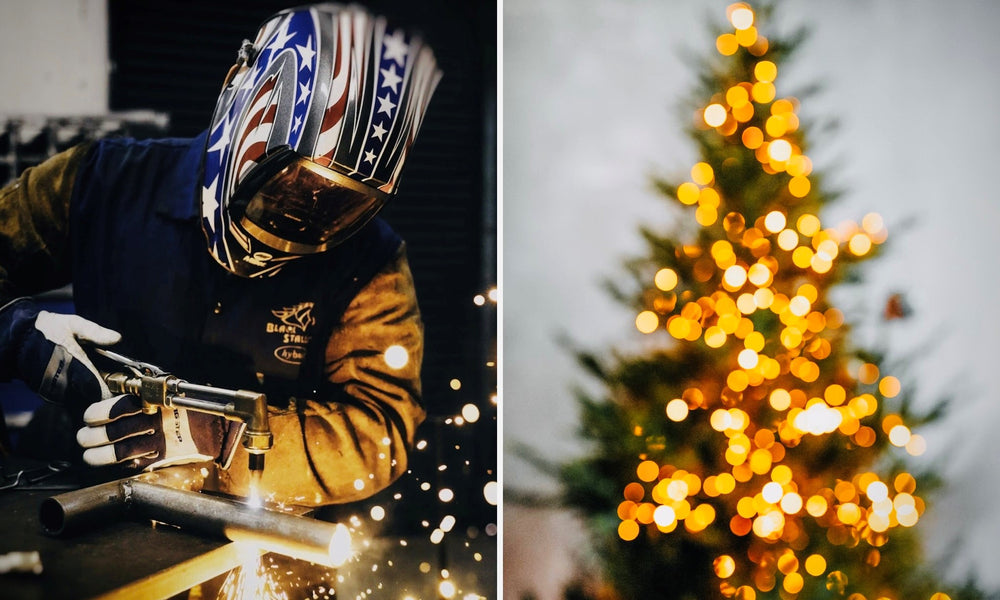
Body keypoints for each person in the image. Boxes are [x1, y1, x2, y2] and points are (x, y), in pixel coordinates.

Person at [0, 3, 441, 507]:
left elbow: (382, 431)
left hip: (251, 525)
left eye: (338, 206)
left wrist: (219, 440)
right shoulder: (98, 181)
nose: (303, 216)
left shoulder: (373, 262)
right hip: (69, 491)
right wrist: (14, 335)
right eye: (289, 185)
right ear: (237, 86)